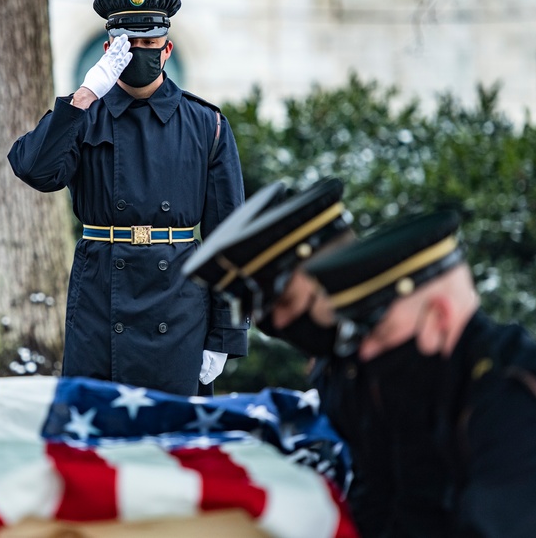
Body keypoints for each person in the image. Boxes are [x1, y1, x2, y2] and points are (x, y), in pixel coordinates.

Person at [304, 209, 536, 538]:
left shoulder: (522, 400)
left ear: (440, 315)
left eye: (379, 331)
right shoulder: (447, 386)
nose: (365, 352)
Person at [8, 0, 246, 396]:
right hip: (101, 302)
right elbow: (33, 170)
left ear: (167, 49)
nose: (139, 53)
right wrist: (83, 95)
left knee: (173, 444)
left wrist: (225, 336)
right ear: (108, 51)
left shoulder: (207, 124)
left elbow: (231, 238)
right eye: (127, 45)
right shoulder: (85, 114)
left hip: (179, 305)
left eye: (149, 44)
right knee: (98, 440)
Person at [183, 179, 452, 538]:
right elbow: (374, 498)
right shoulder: (340, 369)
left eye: (286, 302)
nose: (278, 324)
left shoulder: (413, 366)